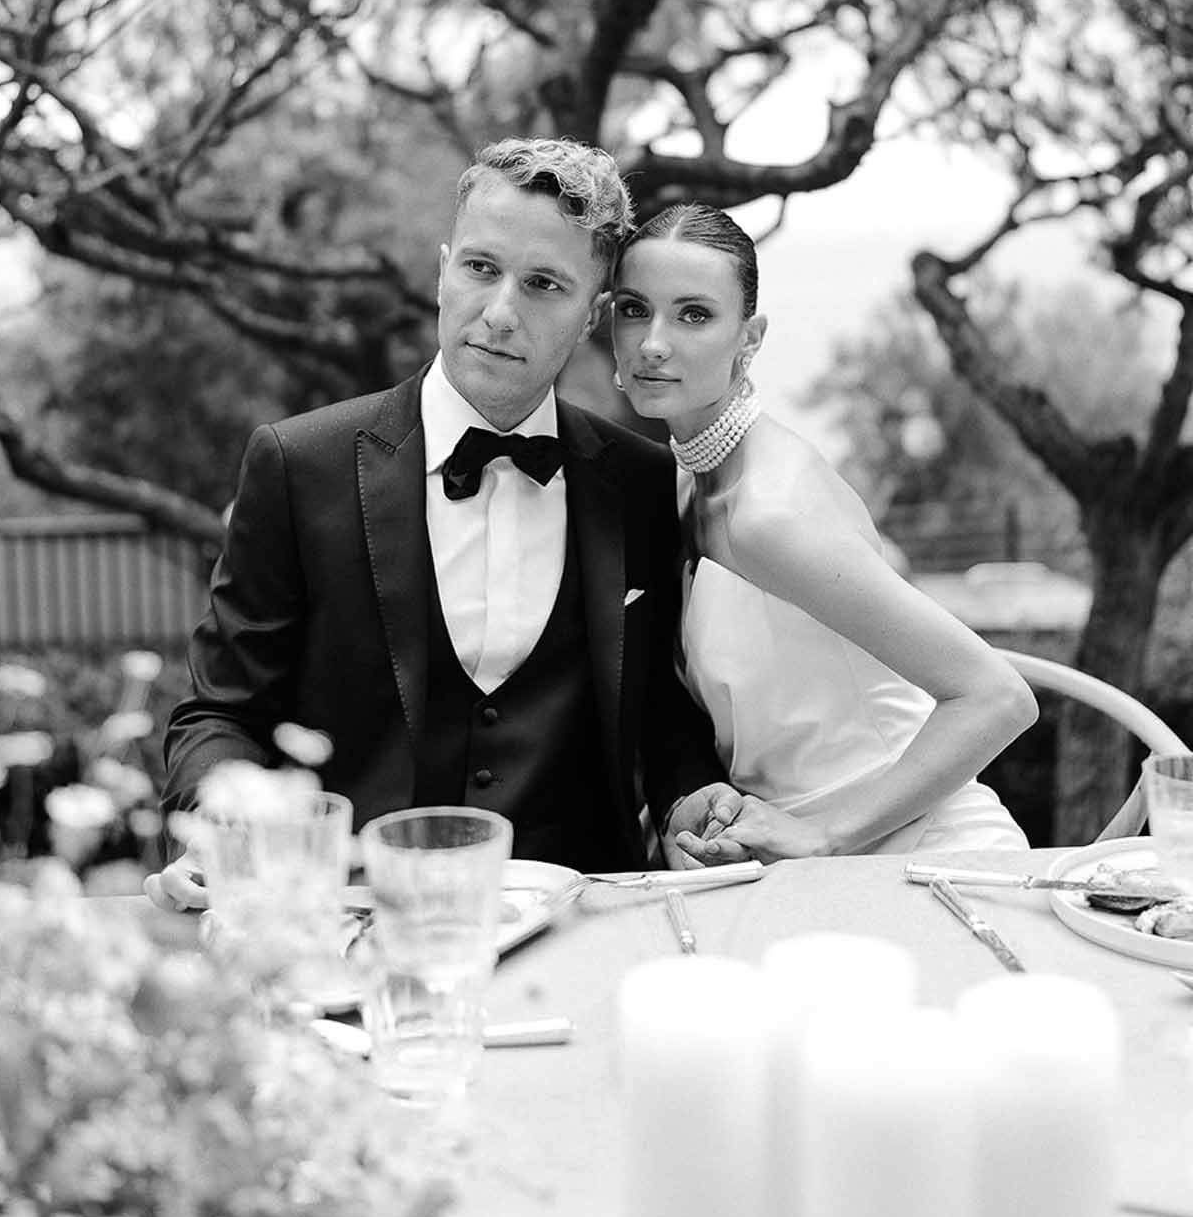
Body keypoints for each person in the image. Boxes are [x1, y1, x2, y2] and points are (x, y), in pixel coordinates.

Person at [146, 139, 744, 911]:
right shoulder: (301, 464)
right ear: (441, 270)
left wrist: (688, 798)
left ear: (592, 314)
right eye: (480, 268)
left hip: (584, 915)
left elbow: (660, 713)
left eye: (543, 285)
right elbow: (220, 713)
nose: (499, 312)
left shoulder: (640, 479)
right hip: (353, 921)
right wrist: (220, 828)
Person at [609, 202, 1040, 861]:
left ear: (749, 340)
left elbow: (997, 697)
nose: (653, 342)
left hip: (918, 855)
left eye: (694, 314)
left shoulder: (769, 512)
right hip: (782, 870)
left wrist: (826, 834)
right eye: (635, 309)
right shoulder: (685, 484)